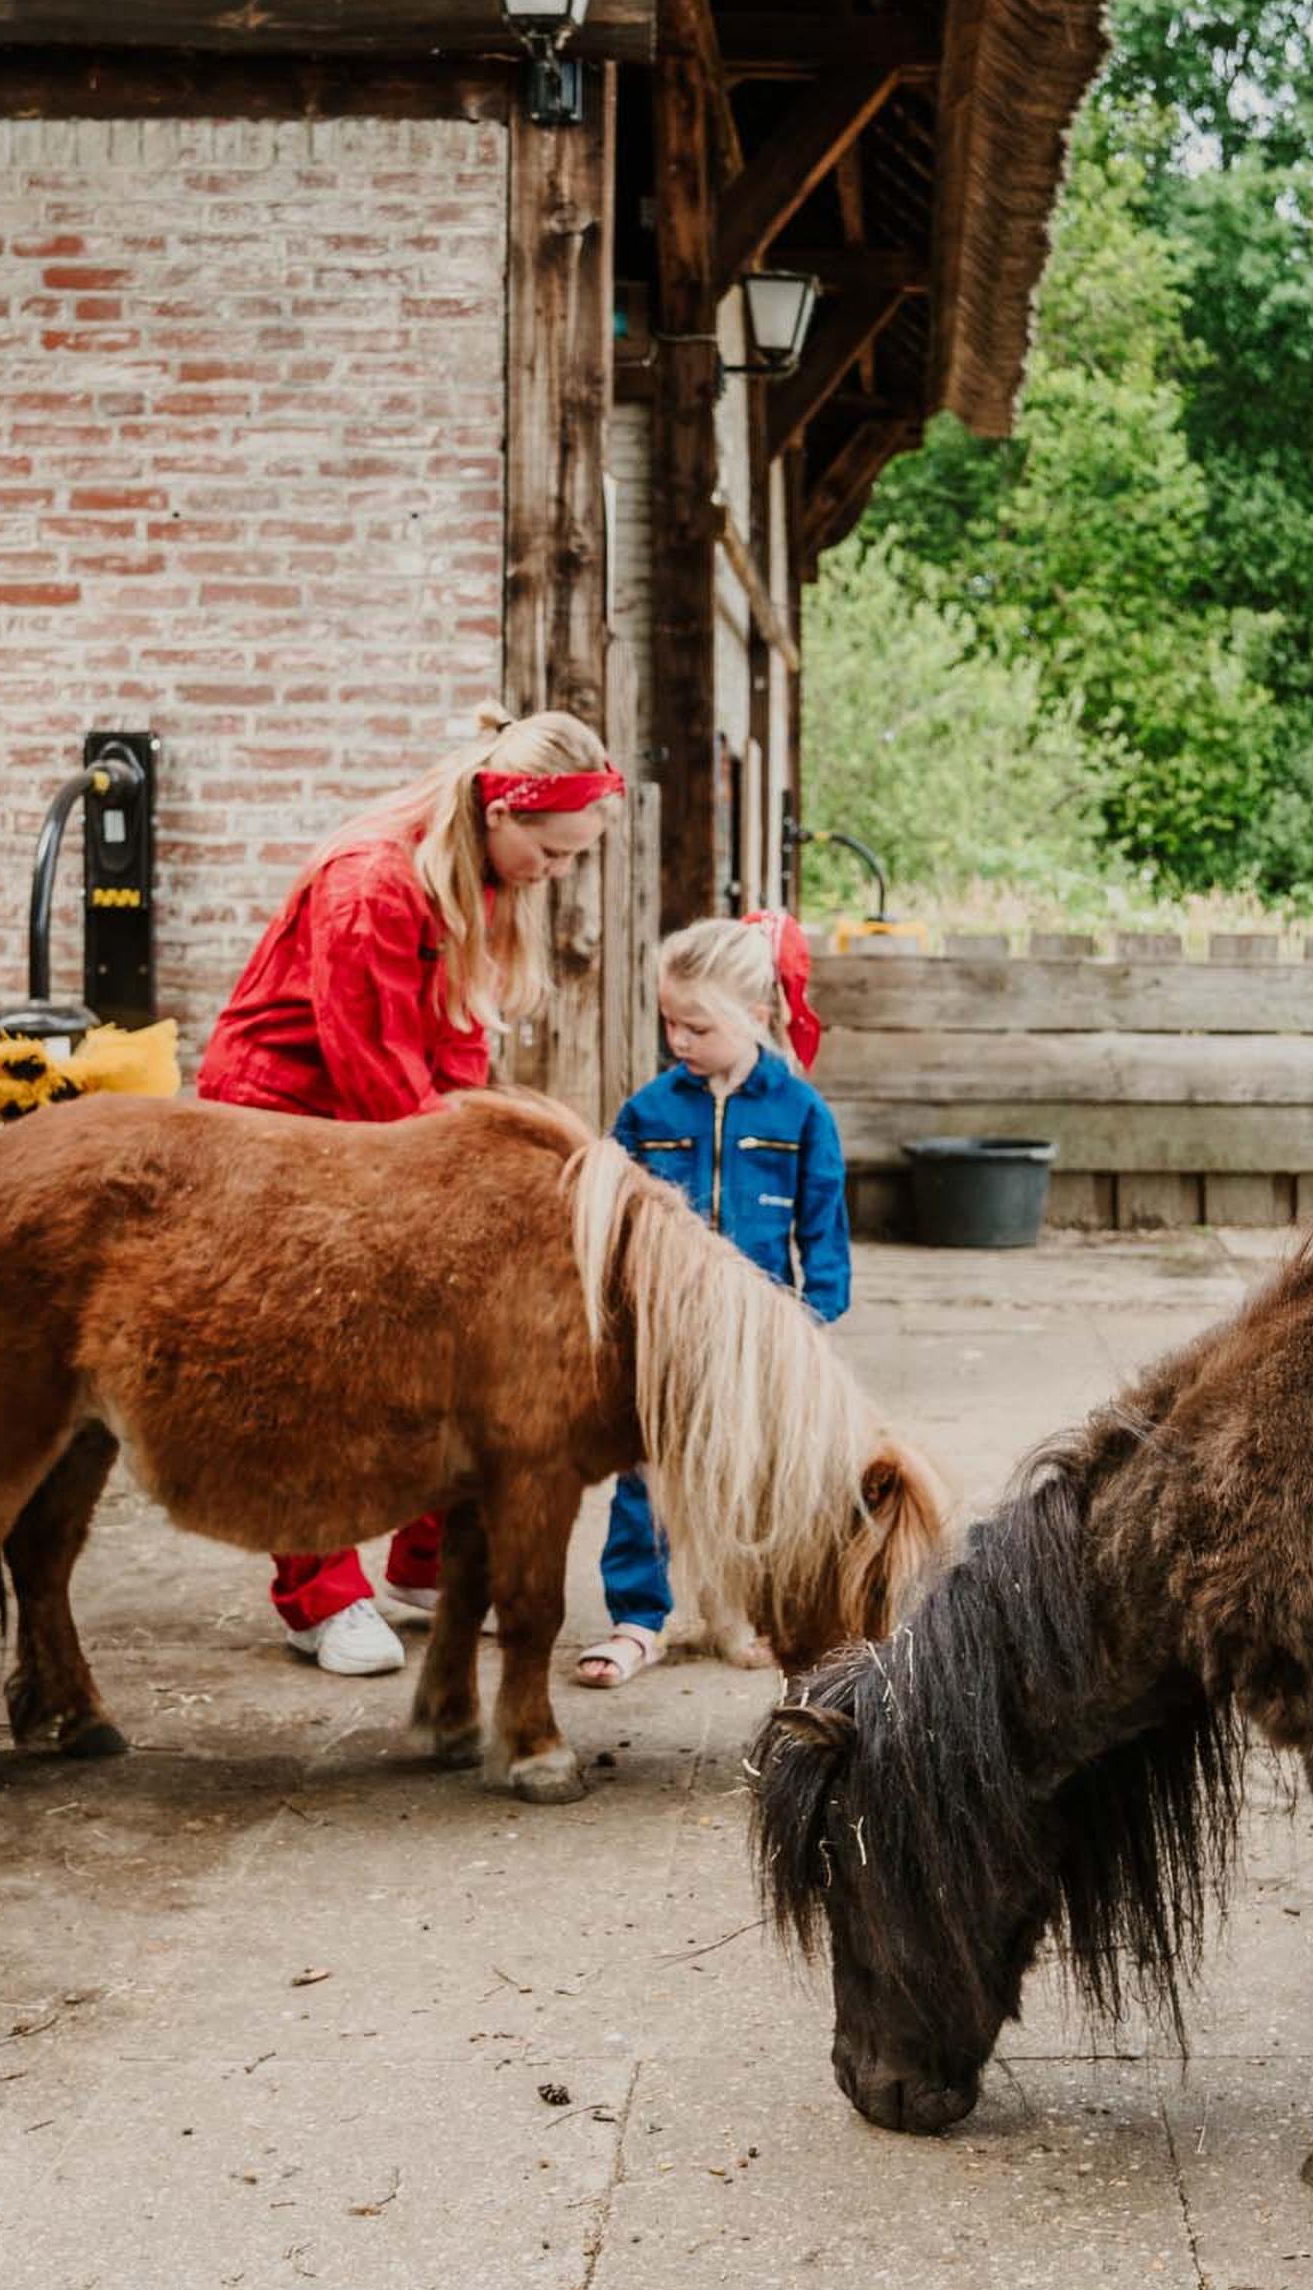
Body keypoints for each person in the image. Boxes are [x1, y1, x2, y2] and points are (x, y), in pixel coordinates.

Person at [194, 709, 619, 1675]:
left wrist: (488, 1147)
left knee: (450, 1331)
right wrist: (465, 1178)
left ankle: (426, 1561)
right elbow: (376, 1074)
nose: (557, 873)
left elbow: (456, 1045)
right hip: (282, 1119)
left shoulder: (482, 878)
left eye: (573, 857)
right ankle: (318, 1597)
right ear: (502, 812)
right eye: (552, 852)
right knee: (315, 1359)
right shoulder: (370, 887)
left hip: (381, 1107)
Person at [573, 913, 848, 1687]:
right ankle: (639, 1619)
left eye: (697, 1027)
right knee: (646, 1471)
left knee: (751, 1474)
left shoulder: (801, 1113)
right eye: (670, 1023)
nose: (679, 1041)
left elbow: (824, 1222)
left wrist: (815, 1315)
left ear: (754, 1017)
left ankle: (740, 1611)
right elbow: (614, 1219)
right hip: (664, 1328)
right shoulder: (648, 1111)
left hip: (760, 1334)